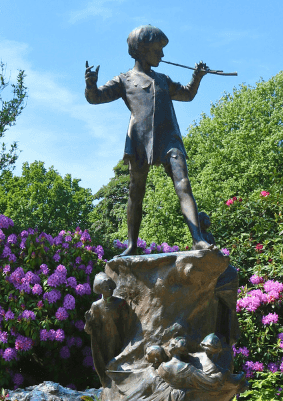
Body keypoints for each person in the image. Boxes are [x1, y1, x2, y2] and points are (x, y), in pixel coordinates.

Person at [85, 25, 215, 256]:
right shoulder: (124, 80)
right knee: (136, 191)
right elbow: (96, 98)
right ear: (142, 50)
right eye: (157, 50)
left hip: (169, 138)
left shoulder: (163, 80)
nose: (162, 55)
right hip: (139, 139)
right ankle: (132, 245)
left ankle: (198, 239)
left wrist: (197, 77)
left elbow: (187, 94)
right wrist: (90, 84)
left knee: (183, 183)